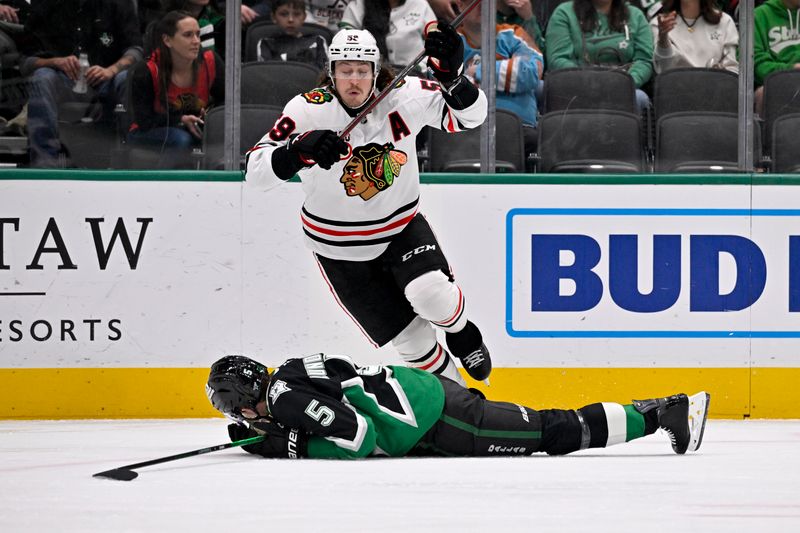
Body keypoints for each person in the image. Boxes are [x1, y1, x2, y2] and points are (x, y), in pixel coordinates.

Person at [245, 27, 493, 387]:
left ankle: (462, 333)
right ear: (331, 71)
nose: (354, 80)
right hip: (338, 248)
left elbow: (473, 117)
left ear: (377, 71)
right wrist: (297, 151)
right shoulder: (306, 110)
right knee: (414, 342)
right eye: (345, 70)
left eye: (363, 70)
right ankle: (462, 404)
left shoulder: (404, 96)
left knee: (432, 295)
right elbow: (255, 171)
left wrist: (453, 79)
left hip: (400, 229)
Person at [206, 354, 711, 459]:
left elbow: (358, 438)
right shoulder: (287, 377)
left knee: (548, 432)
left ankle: (663, 412)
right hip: (424, 407)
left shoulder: (286, 398)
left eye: (233, 409)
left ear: (243, 399)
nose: (237, 420)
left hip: (438, 417)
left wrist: (286, 445)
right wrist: (278, 436)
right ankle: (657, 411)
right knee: (545, 427)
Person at [22, 0, 143, 167]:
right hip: (63, 80)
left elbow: (136, 50)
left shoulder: (119, 3)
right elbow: (25, 61)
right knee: (42, 77)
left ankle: (129, 159)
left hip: (107, 80)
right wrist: (54, 61)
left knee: (126, 79)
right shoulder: (45, 5)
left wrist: (111, 70)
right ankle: (45, 162)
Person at [127, 10, 225, 169]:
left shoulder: (211, 62)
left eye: (197, 35)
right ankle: (163, 186)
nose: (196, 41)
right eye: (188, 35)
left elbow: (226, 102)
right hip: (148, 131)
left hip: (195, 128)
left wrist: (209, 115)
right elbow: (144, 120)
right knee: (181, 139)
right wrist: (180, 120)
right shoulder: (147, 70)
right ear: (167, 40)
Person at [455, 0, 544, 154]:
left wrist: (478, 72)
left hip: (520, 130)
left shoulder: (515, 35)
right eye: (475, 1)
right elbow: (441, 84)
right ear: (460, 4)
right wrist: (507, 76)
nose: (483, 5)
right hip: (462, 130)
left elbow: (532, 71)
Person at [545, 0, 655, 112]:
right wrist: (590, 83)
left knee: (639, 98)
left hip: (622, 87)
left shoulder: (635, 15)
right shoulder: (564, 13)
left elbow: (644, 60)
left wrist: (627, 83)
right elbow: (558, 59)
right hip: (578, 88)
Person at [339, 0, 437, 69]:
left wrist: (421, 66)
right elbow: (345, 45)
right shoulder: (358, 5)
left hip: (414, 74)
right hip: (372, 76)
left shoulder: (420, 4)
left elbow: (437, 44)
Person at [650, 0, 739, 74]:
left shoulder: (724, 21)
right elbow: (663, 69)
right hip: (676, 89)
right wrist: (663, 38)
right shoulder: (660, 23)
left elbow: (732, 69)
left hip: (715, 88)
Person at [754, 0, 800, 115]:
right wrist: (791, 68)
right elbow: (754, 61)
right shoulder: (759, 15)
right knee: (764, 93)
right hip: (774, 83)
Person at [256, 0, 327, 69]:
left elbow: (325, 74)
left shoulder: (318, 41)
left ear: (304, 17)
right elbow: (266, 74)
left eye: (296, 14)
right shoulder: (266, 43)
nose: (291, 19)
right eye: (284, 14)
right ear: (273, 17)